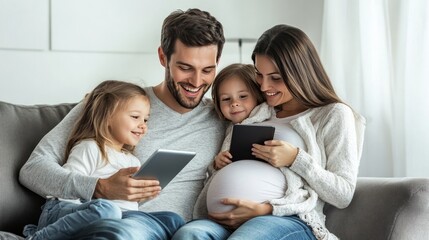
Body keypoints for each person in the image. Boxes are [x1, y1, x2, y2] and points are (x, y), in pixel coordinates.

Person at [19, 8, 226, 239]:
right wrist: (98, 187)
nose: (197, 82)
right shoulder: (116, 104)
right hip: (127, 226)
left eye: (208, 70)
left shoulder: (223, 115)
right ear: (163, 57)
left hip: (185, 229)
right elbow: (33, 169)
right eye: (185, 68)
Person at [171, 24, 366, 240]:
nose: (264, 86)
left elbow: (343, 194)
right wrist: (217, 165)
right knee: (187, 235)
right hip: (220, 221)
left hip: (286, 218)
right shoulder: (257, 110)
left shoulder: (332, 114)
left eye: (275, 77)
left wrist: (295, 159)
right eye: (259, 75)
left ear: (300, 73)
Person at [22, 80, 184, 240]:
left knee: (173, 219)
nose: (143, 126)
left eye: (146, 119)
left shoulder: (132, 161)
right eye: (135, 117)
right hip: (64, 210)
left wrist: (142, 192)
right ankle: (39, 237)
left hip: (116, 220)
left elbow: (127, 201)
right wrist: (99, 190)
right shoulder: (91, 147)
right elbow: (68, 192)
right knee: (108, 210)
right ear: (107, 117)